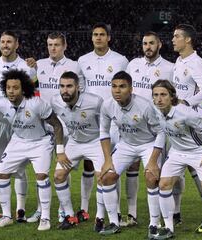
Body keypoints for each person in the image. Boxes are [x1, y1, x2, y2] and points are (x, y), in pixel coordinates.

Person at [0, 69, 67, 231]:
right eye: (8, 87)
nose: (11, 91)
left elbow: (57, 125)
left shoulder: (36, 103)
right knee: (2, 174)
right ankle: (6, 216)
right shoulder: (1, 103)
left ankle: (45, 217)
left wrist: (60, 151)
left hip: (41, 141)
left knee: (41, 176)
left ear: (24, 89)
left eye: (15, 88)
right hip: (18, 140)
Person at [26, 32, 88, 224]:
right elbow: (29, 85)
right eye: (50, 44)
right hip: (43, 124)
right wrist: (30, 67)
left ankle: (63, 209)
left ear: (64, 46)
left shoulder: (74, 66)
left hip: (66, 125)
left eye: (56, 45)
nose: (53, 48)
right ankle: (40, 209)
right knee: (41, 168)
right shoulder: (40, 65)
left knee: (63, 167)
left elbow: (82, 92)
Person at [98, 71, 165, 236]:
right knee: (107, 177)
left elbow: (161, 133)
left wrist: (152, 161)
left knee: (151, 176)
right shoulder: (107, 105)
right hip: (126, 145)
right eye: (114, 86)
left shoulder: (145, 106)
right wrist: (107, 160)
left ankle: (154, 223)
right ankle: (114, 222)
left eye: (122, 86)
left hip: (148, 144)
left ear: (131, 89)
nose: (117, 90)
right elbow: (104, 132)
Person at [151, 79, 202, 240]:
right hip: (177, 152)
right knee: (164, 185)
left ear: (171, 96)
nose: (159, 99)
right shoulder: (156, 110)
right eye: (155, 95)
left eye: (163, 95)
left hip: (198, 152)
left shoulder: (185, 113)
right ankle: (168, 228)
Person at [78, 22, 129, 225]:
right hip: (91, 121)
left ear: (109, 37)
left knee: (112, 166)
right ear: (91, 38)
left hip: (115, 121)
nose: (98, 37)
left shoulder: (120, 60)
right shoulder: (82, 60)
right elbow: (80, 88)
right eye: (95, 34)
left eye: (102, 34)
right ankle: (84, 208)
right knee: (89, 163)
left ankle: (113, 211)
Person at [0, 30, 36, 221]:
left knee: (19, 168)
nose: (5, 45)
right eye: (2, 41)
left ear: (17, 44)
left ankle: (20, 210)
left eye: (9, 42)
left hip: (20, 122)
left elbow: (31, 94)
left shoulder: (27, 67)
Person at [124, 31, 175, 227]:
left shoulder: (170, 68)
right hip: (135, 125)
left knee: (158, 173)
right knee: (132, 166)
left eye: (151, 43)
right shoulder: (133, 65)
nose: (148, 47)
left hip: (160, 128)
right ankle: (132, 214)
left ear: (159, 45)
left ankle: (167, 216)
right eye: (145, 43)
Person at [50, 71, 105, 231]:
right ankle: (70, 215)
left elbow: (107, 124)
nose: (64, 90)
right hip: (74, 142)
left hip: (95, 142)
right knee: (58, 176)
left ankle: (99, 217)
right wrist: (60, 149)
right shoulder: (55, 101)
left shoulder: (95, 102)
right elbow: (57, 125)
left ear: (78, 87)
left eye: (69, 86)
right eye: (62, 86)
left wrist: (107, 146)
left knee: (102, 178)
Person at [172, 24, 202, 232]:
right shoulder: (179, 62)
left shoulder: (197, 63)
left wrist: (185, 103)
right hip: (178, 122)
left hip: (194, 123)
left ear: (187, 40)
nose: (173, 39)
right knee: (178, 166)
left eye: (177, 36)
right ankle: (175, 213)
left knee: (199, 169)